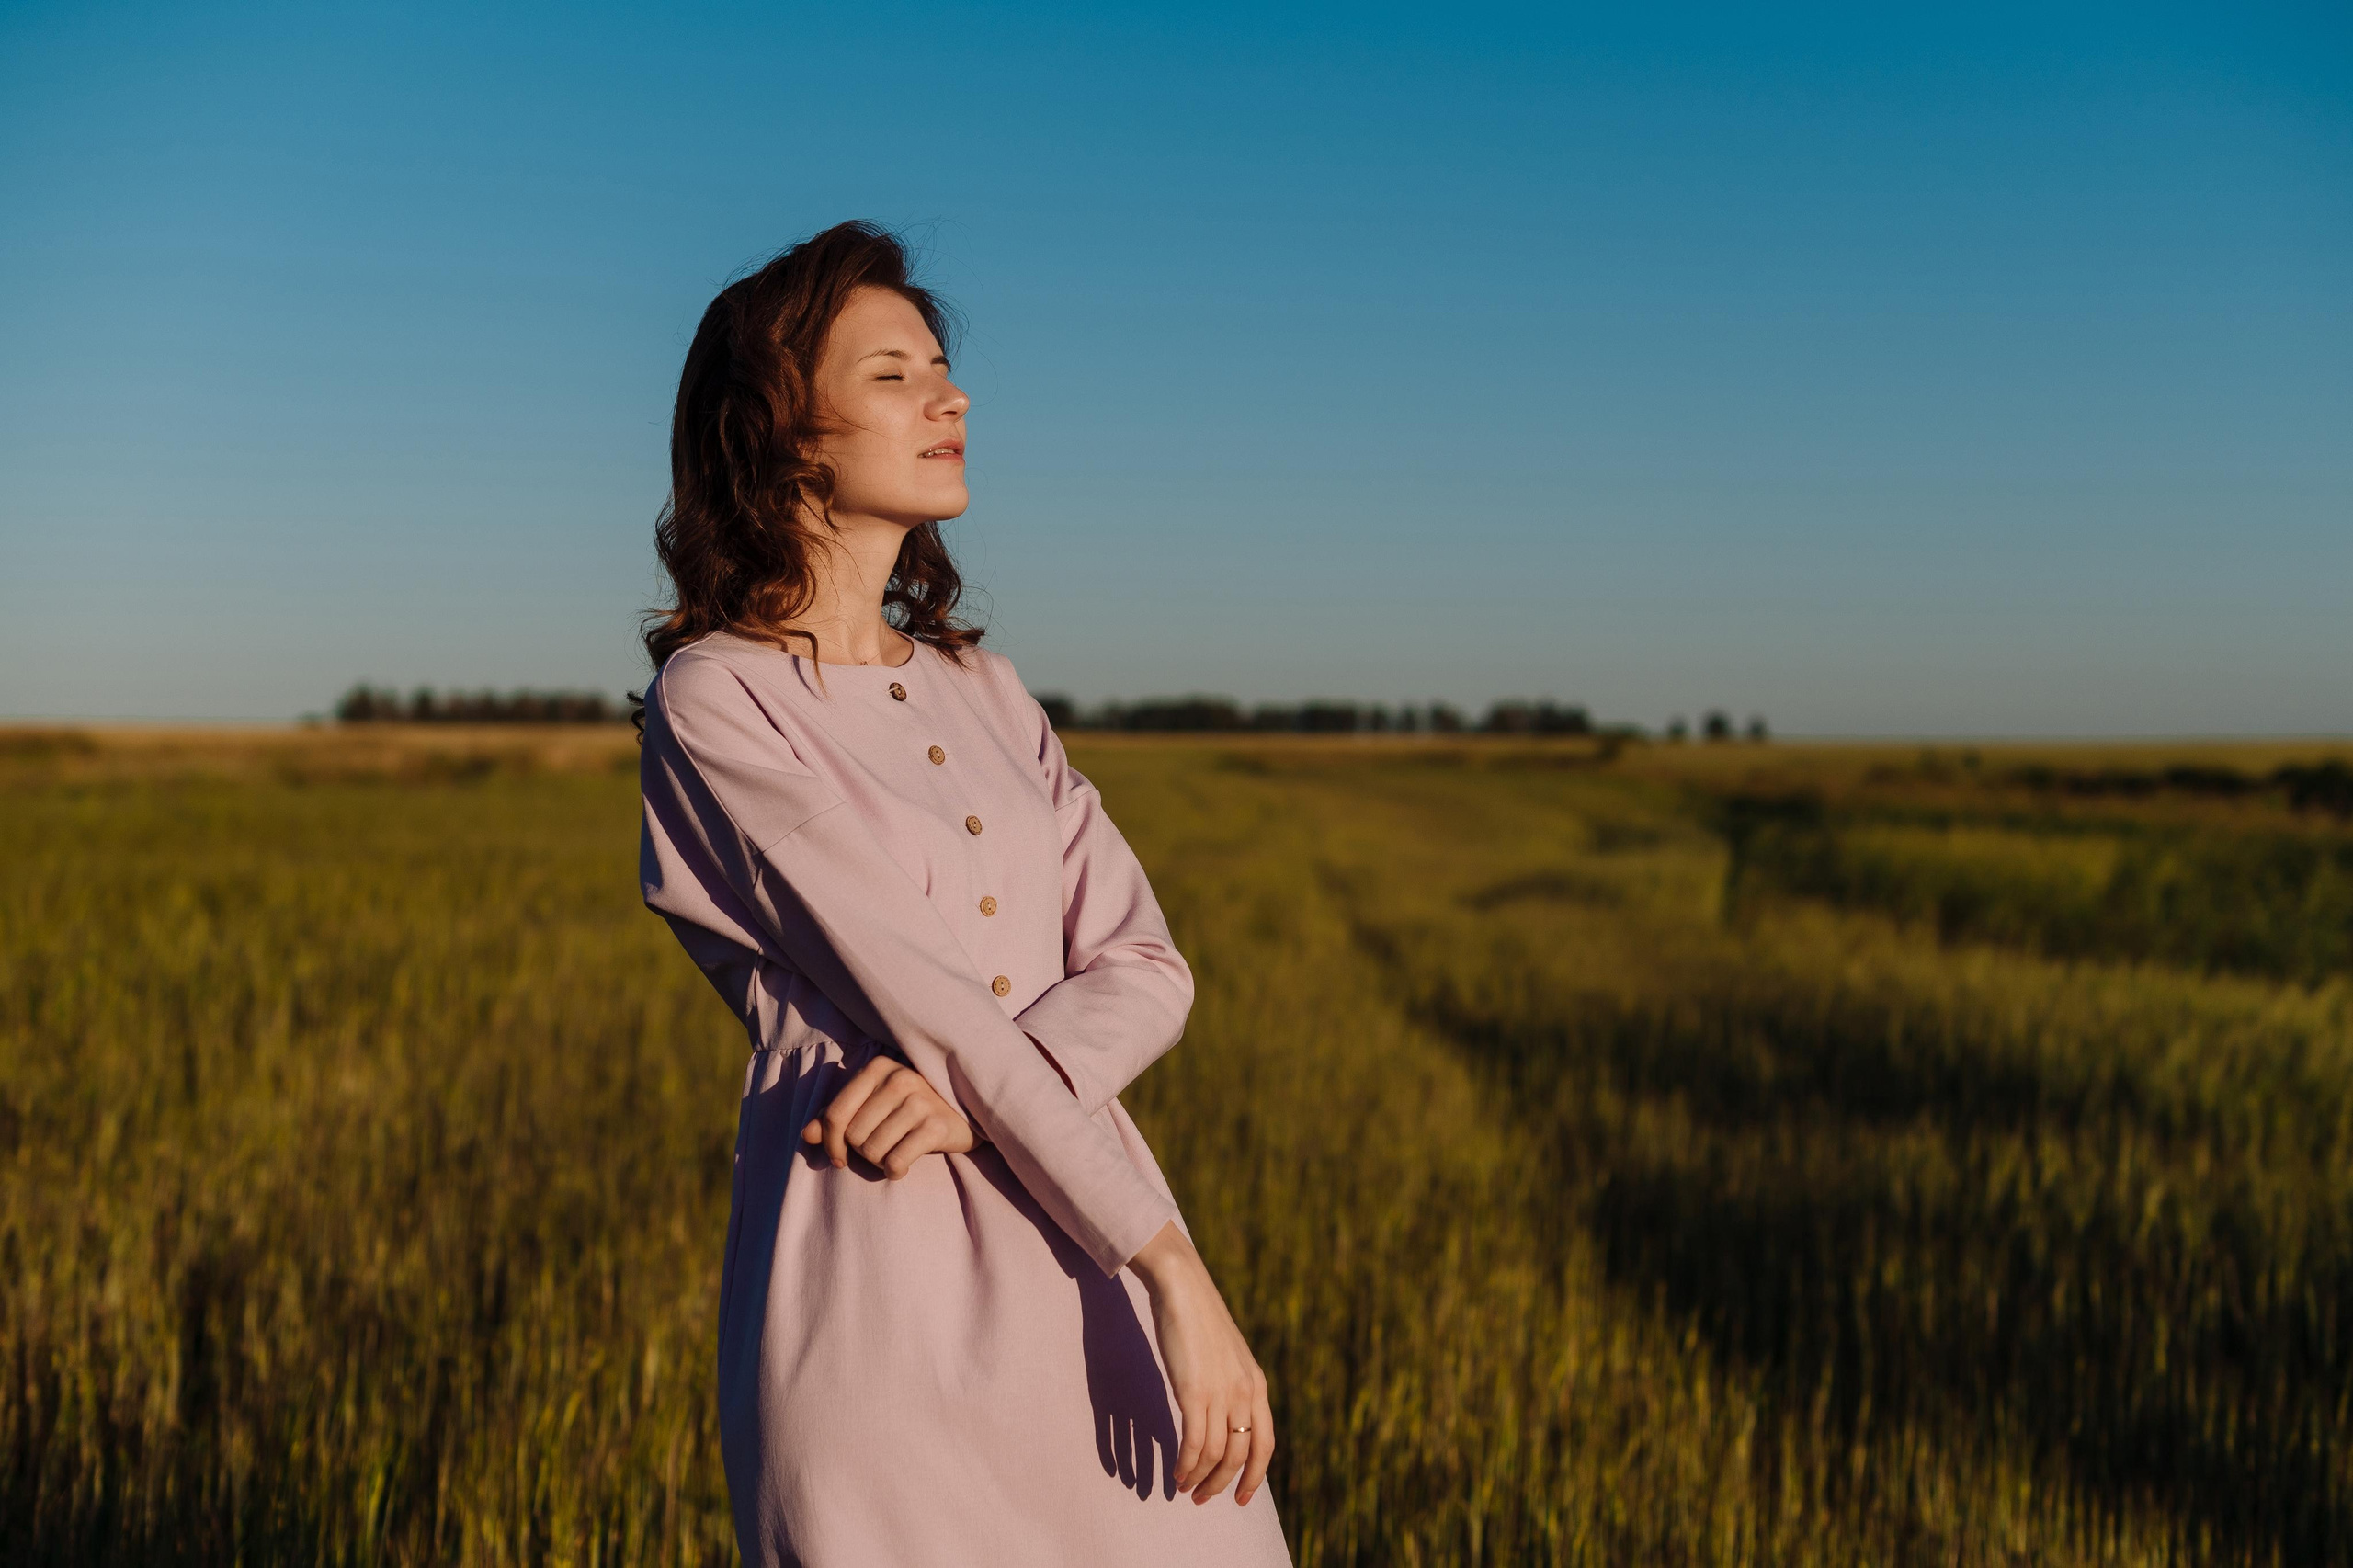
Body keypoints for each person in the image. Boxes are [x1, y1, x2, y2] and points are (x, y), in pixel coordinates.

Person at [634, 221, 1293, 1567]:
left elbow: (1148, 965)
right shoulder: (718, 698)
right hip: (886, 1274)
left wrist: (965, 1085)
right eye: (893, 373)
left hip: (1083, 1259)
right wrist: (1175, 1265)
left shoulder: (989, 692)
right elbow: (924, 992)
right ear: (783, 431)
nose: (953, 396)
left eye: (944, 363)